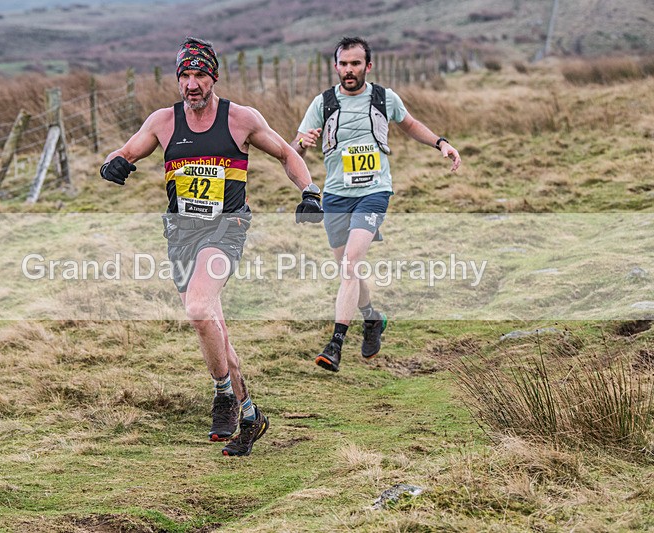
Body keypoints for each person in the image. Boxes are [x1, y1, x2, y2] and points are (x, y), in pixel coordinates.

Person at [101, 37, 323, 456]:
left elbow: (285, 153)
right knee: (212, 326)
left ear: (213, 77)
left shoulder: (240, 119)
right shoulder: (164, 122)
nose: (191, 84)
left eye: (199, 74)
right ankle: (249, 412)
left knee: (199, 309)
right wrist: (113, 164)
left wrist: (310, 191)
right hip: (181, 234)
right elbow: (128, 151)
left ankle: (222, 395)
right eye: (184, 75)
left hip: (226, 228)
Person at [291, 36, 461, 372]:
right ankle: (372, 318)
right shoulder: (322, 103)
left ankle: (336, 343)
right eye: (344, 64)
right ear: (336, 66)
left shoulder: (384, 98)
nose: (349, 70)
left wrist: (441, 143)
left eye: (356, 63)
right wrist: (302, 143)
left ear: (368, 66)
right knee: (347, 268)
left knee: (352, 263)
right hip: (337, 194)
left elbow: (410, 125)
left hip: (375, 191)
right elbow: (292, 153)